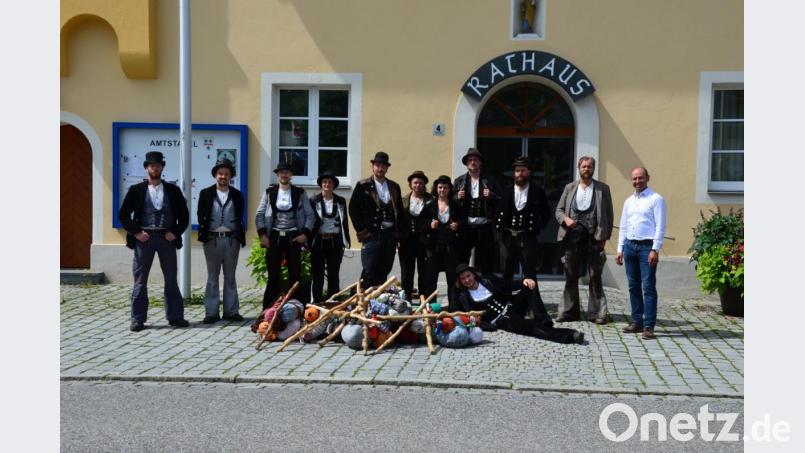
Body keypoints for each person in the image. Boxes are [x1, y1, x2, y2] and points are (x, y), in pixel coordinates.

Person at [118, 151, 190, 332]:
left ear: (162, 167)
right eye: (151, 165)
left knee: (171, 279)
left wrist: (174, 232)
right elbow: (123, 215)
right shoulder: (136, 190)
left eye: (158, 165)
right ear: (146, 168)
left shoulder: (173, 190)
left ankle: (175, 316)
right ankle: (137, 319)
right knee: (140, 280)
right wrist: (136, 233)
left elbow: (184, 216)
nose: (155, 168)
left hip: (166, 239)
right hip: (145, 239)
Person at [454, 264, 584, 345]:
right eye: (463, 278)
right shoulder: (464, 297)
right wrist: (488, 326)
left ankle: (544, 320)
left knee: (530, 286)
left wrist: (524, 281)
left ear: (473, 274)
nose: (467, 280)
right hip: (503, 320)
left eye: (468, 276)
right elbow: (461, 315)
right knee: (531, 327)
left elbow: (508, 284)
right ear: (460, 281)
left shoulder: (488, 280)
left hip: (512, 306)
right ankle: (570, 335)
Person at [555, 156, 614, 324]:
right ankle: (568, 312)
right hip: (572, 238)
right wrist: (566, 219)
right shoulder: (569, 187)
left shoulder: (603, 189)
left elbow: (609, 215)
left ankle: (597, 314)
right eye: (584, 166)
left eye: (589, 167)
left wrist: (604, 238)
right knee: (570, 276)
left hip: (594, 238)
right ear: (578, 168)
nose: (586, 169)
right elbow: (558, 210)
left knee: (595, 276)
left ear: (593, 169)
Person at [615, 167, 667, 339]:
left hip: (647, 247)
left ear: (647, 178)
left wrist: (655, 249)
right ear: (631, 180)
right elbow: (623, 226)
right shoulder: (629, 201)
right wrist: (620, 249)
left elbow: (660, 226)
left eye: (641, 178)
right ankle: (636, 321)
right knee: (633, 285)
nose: (638, 181)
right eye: (635, 179)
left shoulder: (656, 199)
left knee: (648, 287)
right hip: (630, 246)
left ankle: (649, 326)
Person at [255, 161, 314, 309]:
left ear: (291, 175)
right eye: (281, 172)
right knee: (273, 275)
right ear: (277, 175)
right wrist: (263, 235)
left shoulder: (299, 193)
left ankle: (297, 308)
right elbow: (259, 214)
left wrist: (305, 235)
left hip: (293, 237)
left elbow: (309, 215)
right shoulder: (269, 192)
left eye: (287, 172)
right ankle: (268, 309)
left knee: (295, 275)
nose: (284, 175)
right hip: (274, 237)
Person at [196, 159, 246, 324]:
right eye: (220, 173)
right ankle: (211, 312)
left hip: (231, 239)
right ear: (215, 175)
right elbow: (200, 214)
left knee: (230, 276)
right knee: (212, 276)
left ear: (230, 176)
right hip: (212, 239)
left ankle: (231, 311)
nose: (223, 176)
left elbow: (239, 216)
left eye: (226, 173)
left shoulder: (238, 195)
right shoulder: (205, 193)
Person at [348, 151, 404, 287]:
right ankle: (361, 303)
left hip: (389, 235)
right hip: (372, 234)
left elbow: (400, 211)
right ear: (373, 167)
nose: (380, 168)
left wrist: (398, 235)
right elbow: (353, 209)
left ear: (387, 168)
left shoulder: (394, 187)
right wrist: (362, 230)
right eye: (377, 165)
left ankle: (378, 302)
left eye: (383, 166)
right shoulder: (363, 185)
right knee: (369, 270)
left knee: (384, 269)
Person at [496, 156, 550, 280]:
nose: (520, 173)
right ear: (514, 173)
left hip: (528, 237)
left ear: (529, 172)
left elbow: (547, 213)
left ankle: (531, 299)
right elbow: (497, 211)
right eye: (517, 170)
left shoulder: (537, 192)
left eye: (523, 170)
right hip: (508, 237)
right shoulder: (506, 191)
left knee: (529, 272)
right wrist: (500, 230)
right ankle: (506, 298)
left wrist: (538, 228)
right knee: (506, 271)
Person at [453, 148, 501, 275]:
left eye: (475, 159)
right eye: (470, 160)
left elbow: (501, 201)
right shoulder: (459, 181)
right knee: (462, 260)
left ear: (480, 162)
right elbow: (450, 202)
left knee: (486, 261)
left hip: (484, 227)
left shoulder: (489, 181)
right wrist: (457, 197)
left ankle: (487, 290)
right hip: (465, 227)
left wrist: (491, 195)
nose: (472, 162)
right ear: (466, 163)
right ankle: (462, 291)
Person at [309, 170, 350, 304]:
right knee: (318, 275)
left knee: (334, 274)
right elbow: (309, 222)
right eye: (325, 182)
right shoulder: (313, 200)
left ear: (333, 185)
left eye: (330, 182)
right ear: (321, 184)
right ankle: (316, 303)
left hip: (335, 241)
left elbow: (345, 222)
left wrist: (346, 240)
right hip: (318, 241)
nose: (327, 184)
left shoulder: (340, 201)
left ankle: (333, 303)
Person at [423, 175, 465, 306]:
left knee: (452, 279)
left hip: (450, 247)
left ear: (449, 189)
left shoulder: (456, 205)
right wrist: (429, 225)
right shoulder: (429, 205)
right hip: (434, 247)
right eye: (440, 187)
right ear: (436, 189)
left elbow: (464, 221)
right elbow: (421, 223)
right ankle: (431, 307)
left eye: (445, 187)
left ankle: (453, 307)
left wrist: (457, 225)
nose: (442, 190)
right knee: (430, 278)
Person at [399, 170, 433, 299]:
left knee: (424, 271)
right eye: (415, 182)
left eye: (420, 183)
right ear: (410, 184)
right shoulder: (403, 201)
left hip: (424, 241)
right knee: (407, 270)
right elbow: (399, 222)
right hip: (407, 241)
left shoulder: (431, 200)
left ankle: (423, 298)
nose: (418, 185)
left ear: (424, 184)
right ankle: (406, 298)